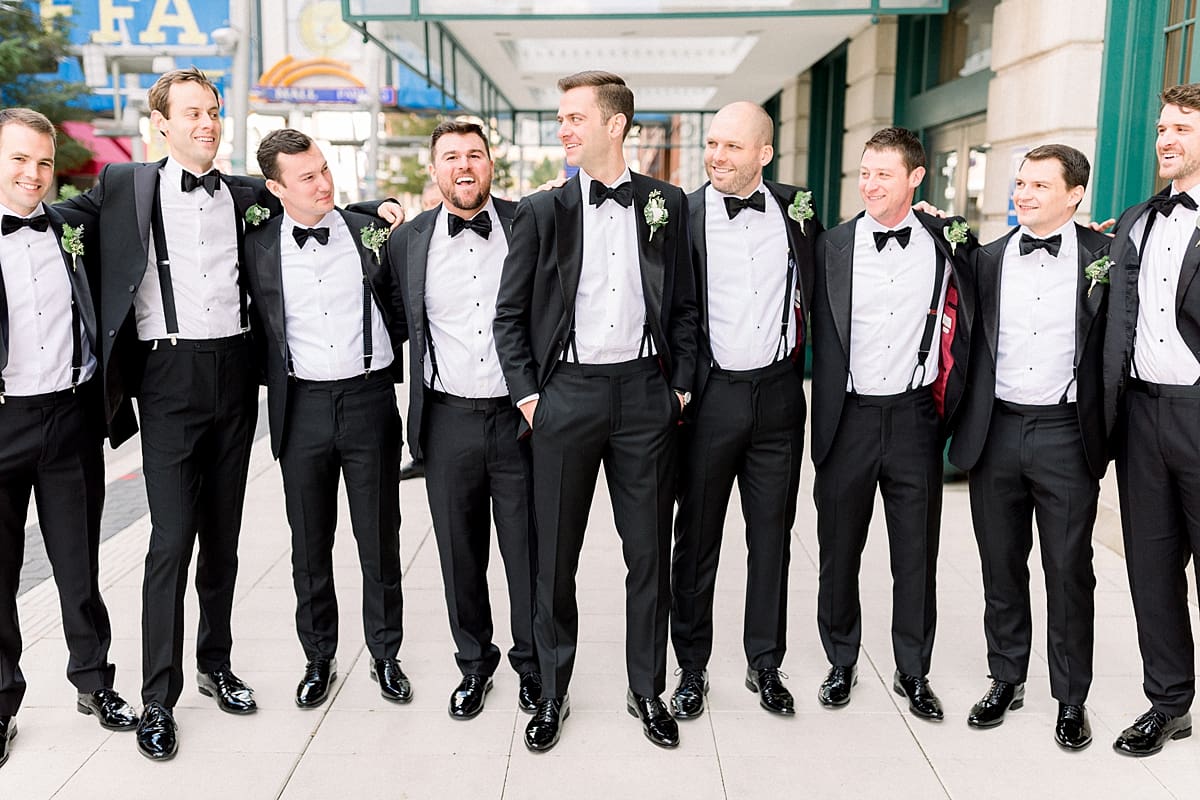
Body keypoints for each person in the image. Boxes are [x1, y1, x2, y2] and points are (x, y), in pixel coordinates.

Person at [56, 67, 402, 761]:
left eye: (213, 111)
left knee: (224, 541)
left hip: (238, 377)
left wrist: (380, 206)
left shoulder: (247, 193)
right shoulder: (125, 186)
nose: (208, 123)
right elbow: (58, 221)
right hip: (167, 375)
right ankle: (159, 697)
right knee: (169, 544)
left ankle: (217, 666)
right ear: (161, 122)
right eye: (192, 114)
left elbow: (313, 204)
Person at [493, 70, 698, 751]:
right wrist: (531, 399)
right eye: (562, 117)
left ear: (615, 125)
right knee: (555, 558)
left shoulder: (667, 203)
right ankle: (551, 694)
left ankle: (647, 691)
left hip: (645, 394)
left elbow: (690, 307)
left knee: (647, 556)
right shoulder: (542, 210)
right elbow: (509, 316)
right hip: (566, 397)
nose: (565, 129)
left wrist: (680, 388)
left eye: (576, 117)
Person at [949, 144, 1109, 750]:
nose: (1024, 194)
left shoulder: (1107, 256)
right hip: (996, 431)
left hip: (1067, 432)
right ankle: (1006, 677)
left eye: (1040, 185)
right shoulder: (986, 259)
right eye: (1020, 183)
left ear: (1074, 196)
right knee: (1000, 564)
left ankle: (1071, 697)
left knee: (1069, 570)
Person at [245, 128, 410, 711]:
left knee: (378, 536)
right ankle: (319, 655)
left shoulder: (370, 230)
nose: (323, 183)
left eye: (323, 169)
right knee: (309, 543)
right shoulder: (259, 243)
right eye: (306, 176)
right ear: (274, 188)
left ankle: (385, 653)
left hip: (369, 402)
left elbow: (402, 306)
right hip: (303, 406)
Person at [810, 126, 972, 720]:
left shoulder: (950, 241)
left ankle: (914, 671)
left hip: (913, 418)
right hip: (845, 417)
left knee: (915, 554)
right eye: (865, 171)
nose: (870, 183)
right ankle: (840, 661)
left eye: (884, 173)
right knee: (838, 551)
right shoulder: (829, 244)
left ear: (915, 179)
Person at [669, 101, 819, 719]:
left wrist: (933, 225)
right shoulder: (681, 213)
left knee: (772, 540)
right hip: (709, 400)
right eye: (712, 143)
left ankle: (766, 663)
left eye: (733, 147)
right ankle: (692, 668)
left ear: (765, 153)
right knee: (697, 540)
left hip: (781, 397)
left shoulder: (799, 212)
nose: (716, 156)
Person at [0, 108, 139, 769]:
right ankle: (1, 703)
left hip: (70, 418)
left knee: (79, 564)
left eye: (44, 162)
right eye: (19, 159)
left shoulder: (72, 229)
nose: (33, 173)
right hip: (2, 421)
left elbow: (132, 186)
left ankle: (95, 683)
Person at [388, 121, 539, 720]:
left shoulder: (528, 224)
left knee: (528, 553)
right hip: (446, 418)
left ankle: (533, 666)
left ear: (490, 163)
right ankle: (475, 665)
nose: (464, 165)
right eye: (451, 156)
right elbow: (393, 315)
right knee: (459, 554)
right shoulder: (408, 241)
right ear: (435, 169)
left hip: (520, 418)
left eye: (474, 154)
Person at [1103, 82, 1200, 757]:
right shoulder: (1136, 219)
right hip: (1139, 414)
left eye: (1182, 129)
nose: (1165, 139)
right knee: (1152, 568)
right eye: (1162, 128)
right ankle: (1168, 703)